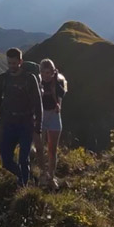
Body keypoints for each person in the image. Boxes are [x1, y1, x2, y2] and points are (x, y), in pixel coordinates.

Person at [0, 47, 42, 187]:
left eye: (14, 63)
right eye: (9, 63)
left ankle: (24, 186)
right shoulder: (3, 79)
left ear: (20, 61)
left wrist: (38, 128)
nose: (11, 66)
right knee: (6, 160)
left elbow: (38, 103)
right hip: (8, 123)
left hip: (26, 123)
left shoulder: (30, 79)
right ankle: (26, 178)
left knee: (23, 159)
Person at [38, 58, 67, 189]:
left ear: (53, 72)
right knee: (40, 148)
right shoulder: (37, 83)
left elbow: (61, 96)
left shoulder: (57, 83)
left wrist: (58, 105)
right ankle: (43, 175)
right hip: (41, 116)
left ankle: (51, 176)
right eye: (43, 73)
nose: (46, 76)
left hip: (54, 116)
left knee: (52, 149)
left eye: (48, 72)